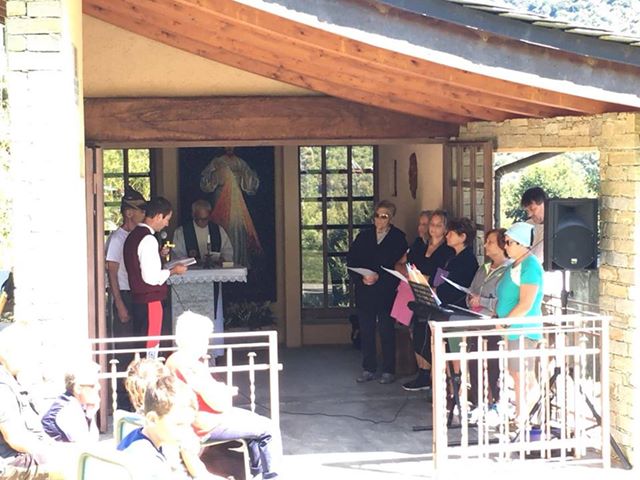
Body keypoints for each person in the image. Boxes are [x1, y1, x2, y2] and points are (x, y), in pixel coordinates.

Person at [166, 312, 282, 479]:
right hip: (206, 423)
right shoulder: (188, 365)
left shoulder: (174, 360)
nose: (207, 343)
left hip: (201, 418)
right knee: (268, 428)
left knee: (257, 424)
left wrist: (220, 390)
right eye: (206, 338)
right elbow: (217, 403)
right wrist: (226, 392)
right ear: (195, 338)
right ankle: (270, 476)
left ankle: (255, 473)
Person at [123, 358, 223, 480]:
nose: (187, 432)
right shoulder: (146, 459)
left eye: (188, 425)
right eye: (179, 425)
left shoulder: (146, 435)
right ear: (152, 419)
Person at [347, 200, 408, 384]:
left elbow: (399, 265)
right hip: (365, 290)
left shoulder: (398, 237)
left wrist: (379, 277)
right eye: (377, 216)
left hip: (386, 291)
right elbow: (352, 260)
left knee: (386, 329)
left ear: (391, 218)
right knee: (366, 330)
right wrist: (362, 278)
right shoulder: (363, 236)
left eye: (384, 216)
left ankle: (388, 370)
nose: (380, 220)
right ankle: (368, 368)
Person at [123, 196, 188, 357]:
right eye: (166, 219)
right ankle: (150, 371)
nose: (167, 224)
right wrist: (174, 271)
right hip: (150, 300)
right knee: (151, 345)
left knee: (141, 343)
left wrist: (158, 255)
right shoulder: (148, 239)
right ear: (158, 216)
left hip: (138, 299)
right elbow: (151, 278)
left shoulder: (133, 235)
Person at [399, 210, 455, 391]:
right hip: (416, 291)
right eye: (432, 224)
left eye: (439, 225)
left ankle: (432, 376)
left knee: (429, 335)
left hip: (434, 295)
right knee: (416, 332)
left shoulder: (447, 250)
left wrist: (424, 277)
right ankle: (422, 372)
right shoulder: (421, 245)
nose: (433, 228)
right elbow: (406, 264)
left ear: (446, 229)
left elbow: (441, 275)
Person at [0, 322, 63, 479]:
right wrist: (52, 453)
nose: (34, 358)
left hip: (21, 457)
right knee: (68, 466)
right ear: (8, 351)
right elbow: (15, 438)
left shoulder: (13, 380)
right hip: (10, 463)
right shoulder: (2, 386)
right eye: (27, 351)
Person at [496, 222, 544, 417]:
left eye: (509, 242)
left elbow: (526, 304)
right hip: (513, 329)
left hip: (523, 328)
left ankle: (525, 416)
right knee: (516, 373)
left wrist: (505, 321)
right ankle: (523, 414)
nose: (505, 246)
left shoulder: (530, 266)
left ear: (522, 244)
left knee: (522, 374)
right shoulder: (515, 264)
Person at [105, 186, 147, 407]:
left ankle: (138, 398)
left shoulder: (138, 236)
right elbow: (111, 273)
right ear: (129, 213)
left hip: (137, 295)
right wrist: (119, 304)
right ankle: (122, 402)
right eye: (140, 210)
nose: (143, 214)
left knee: (139, 348)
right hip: (124, 295)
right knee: (124, 353)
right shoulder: (117, 239)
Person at [465, 228, 512, 407]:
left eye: (490, 242)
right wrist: (471, 300)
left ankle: (496, 403)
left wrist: (482, 301)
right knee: (474, 365)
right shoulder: (483, 268)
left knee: (493, 366)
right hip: (476, 321)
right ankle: (478, 403)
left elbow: (505, 301)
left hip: (494, 325)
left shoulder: (509, 270)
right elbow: (471, 290)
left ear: (502, 246)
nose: (485, 245)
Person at [200, 147, 262, 268]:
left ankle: (238, 259)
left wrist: (241, 176)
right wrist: (219, 175)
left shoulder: (240, 162)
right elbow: (206, 182)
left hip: (236, 199)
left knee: (237, 227)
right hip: (221, 197)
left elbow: (250, 183)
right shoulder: (217, 162)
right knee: (222, 227)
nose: (229, 147)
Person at [435, 217, 479, 387]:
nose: (447, 236)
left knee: (455, 351)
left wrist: (439, 291)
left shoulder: (467, 259)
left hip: (458, 309)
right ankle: (450, 387)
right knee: (446, 350)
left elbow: (457, 287)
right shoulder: (452, 256)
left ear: (463, 237)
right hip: (446, 307)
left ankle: (458, 388)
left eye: (451, 233)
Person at [41, 361, 101, 443]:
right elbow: (87, 445)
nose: (99, 387)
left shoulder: (76, 403)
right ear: (78, 388)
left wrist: (90, 414)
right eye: (93, 385)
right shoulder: (70, 409)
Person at [521, 187, 546, 262]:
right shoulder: (528, 225)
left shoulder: (560, 227)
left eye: (532, 209)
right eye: (527, 211)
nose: (529, 214)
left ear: (545, 204)